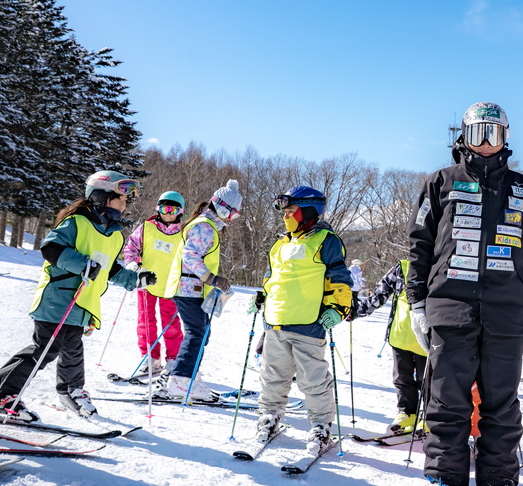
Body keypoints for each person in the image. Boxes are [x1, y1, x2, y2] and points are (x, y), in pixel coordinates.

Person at [406, 101, 523, 486]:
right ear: (462, 136)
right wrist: (416, 303)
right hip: (451, 310)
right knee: (448, 405)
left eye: (495, 133)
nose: (486, 142)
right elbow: (419, 246)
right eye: (477, 133)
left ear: (507, 137)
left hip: (506, 317)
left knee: (501, 409)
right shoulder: (441, 183)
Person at [0, 171, 152, 420]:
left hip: (82, 304)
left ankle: (71, 390)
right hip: (58, 298)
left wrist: (135, 280)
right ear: (101, 196)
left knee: (72, 348)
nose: (124, 204)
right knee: (46, 348)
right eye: (118, 198)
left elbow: (109, 267)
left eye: (126, 200)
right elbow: (51, 248)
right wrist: (82, 264)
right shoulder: (76, 222)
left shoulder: (113, 235)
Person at [254, 186, 354, 456]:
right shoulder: (280, 244)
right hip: (276, 321)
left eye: (290, 211)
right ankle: (269, 415)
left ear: (308, 211)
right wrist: (263, 296)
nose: (285, 216)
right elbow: (271, 277)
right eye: (284, 212)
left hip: (309, 322)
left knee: (313, 379)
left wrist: (338, 307)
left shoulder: (325, 240)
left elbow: (340, 277)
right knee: (273, 375)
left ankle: (321, 425)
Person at [164, 179, 241, 402]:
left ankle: (186, 374)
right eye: (234, 215)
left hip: (193, 288)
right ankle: (181, 380)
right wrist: (212, 278)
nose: (232, 220)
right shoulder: (205, 227)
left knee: (200, 332)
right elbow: (190, 256)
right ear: (224, 208)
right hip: (189, 288)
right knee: (197, 332)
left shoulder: (207, 225)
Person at [358, 259, 429, 435]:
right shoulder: (402, 266)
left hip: (427, 338)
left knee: (427, 381)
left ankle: (428, 416)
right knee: (402, 378)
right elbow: (380, 293)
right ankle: (406, 413)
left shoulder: (439, 265)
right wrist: (356, 310)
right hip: (401, 335)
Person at [122, 190, 186, 377]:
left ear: (179, 211)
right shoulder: (146, 228)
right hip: (146, 282)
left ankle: (173, 358)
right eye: (164, 208)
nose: (167, 213)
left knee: (171, 324)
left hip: (171, 285)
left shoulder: (184, 233)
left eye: (172, 209)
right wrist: (133, 264)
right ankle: (150, 357)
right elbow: (131, 247)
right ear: (158, 209)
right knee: (145, 322)